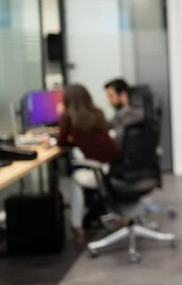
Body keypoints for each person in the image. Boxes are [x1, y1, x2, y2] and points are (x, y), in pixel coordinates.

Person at [56, 84, 120, 243]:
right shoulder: (97, 114)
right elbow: (93, 141)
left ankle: (77, 226)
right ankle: (85, 217)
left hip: (102, 171)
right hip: (116, 165)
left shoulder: (70, 120)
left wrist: (62, 117)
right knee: (79, 172)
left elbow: (60, 142)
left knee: (75, 177)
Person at [104, 78, 144, 147]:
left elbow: (117, 140)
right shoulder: (121, 112)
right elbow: (110, 124)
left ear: (123, 95)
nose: (109, 101)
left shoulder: (133, 114)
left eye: (111, 96)